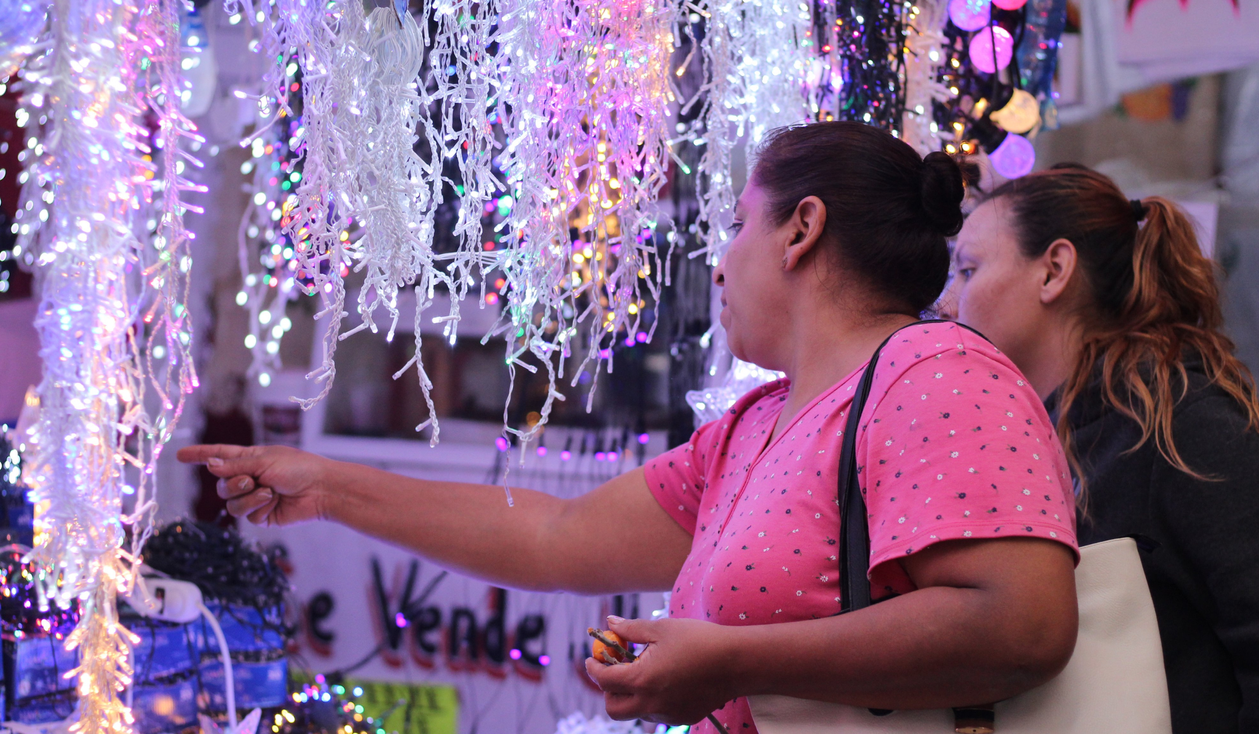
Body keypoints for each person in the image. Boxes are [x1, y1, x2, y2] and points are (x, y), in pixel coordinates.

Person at [180, 122, 1080, 734]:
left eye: (735, 228)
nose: (719, 264)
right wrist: (329, 486)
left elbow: (1023, 624)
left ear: (802, 229)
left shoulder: (939, 377)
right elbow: (555, 537)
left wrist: (728, 660)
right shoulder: (758, 426)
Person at [940, 163, 1259, 734]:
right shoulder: (1047, 431)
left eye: (968, 269)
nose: (946, 302)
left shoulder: (1181, 425)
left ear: (1054, 270)